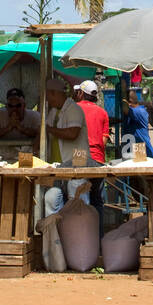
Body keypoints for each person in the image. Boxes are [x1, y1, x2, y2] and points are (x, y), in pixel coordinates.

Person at [42, 77, 91, 216]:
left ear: (53, 93)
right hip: (57, 166)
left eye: (48, 96)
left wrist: (49, 129)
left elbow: (72, 133)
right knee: (51, 199)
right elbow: (43, 131)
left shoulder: (74, 109)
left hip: (76, 163)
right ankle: (55, 235)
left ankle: (81, 234)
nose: (47, 100)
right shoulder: (53, 112)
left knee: (77, 200)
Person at [74, 79, 110, 218]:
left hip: (79, 157)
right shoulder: (102, 113)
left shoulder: (74, 108)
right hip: (97, 159)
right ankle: (98, 236)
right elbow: (103, 141)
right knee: (97, 201)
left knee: (80, 199)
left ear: (81, 93)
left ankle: (81, 236)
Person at [121, 88, 153, 159]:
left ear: (129, 102)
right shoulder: (133, 112)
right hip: (134, 148)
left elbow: (125, 109)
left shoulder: (139, 111)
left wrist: (122, 97)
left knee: (141, 167)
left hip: (143, 150)